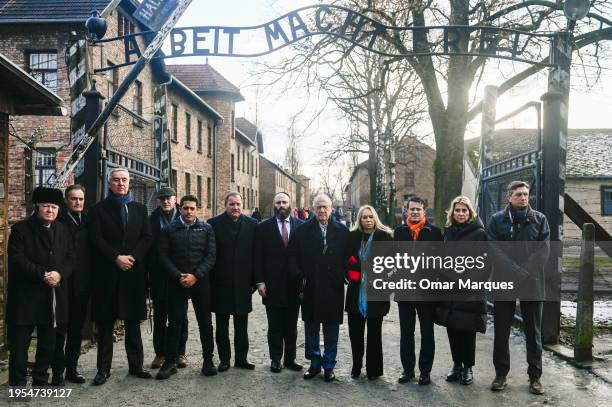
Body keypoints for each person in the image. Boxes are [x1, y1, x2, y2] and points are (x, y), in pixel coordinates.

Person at [89, 168, 153, 385]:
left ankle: (136, 366)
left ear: (129, 183)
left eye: (124, 180)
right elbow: (96, 240)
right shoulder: (98, 210)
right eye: (116, 180)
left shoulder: (140, 209)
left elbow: (146, 237)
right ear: (109, 183)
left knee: (133, 324)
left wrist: (132, 257)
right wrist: (116, 257)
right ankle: (103, 370)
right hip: (108, 275)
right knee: (106, 326)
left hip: (133, 275)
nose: (120, 183)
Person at [488, 181, 550, 395]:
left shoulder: (539, 219)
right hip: (504, 280)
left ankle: (535, 378)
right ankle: (501, 375)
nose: (523, 198)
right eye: (518, 194)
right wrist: (514, 269)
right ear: (509, 197)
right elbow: (493, 248)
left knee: (533, 332)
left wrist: (524, 271)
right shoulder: (497, 220)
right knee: (502, 331)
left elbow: (543, 250)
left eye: (526, 194)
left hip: (532, 281)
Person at [7, 187, 73, 387]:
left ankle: (40, 380)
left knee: (47, 342)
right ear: (37, 207)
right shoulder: (21, 229)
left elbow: (71, 257)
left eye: (54, 207)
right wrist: (43, 275)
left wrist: (60, 274)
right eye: (46, 206)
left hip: (52, 295)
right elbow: (18, 259)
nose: (50, 211)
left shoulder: (63, 229)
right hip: (25, 296)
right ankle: (18, 385)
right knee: (20, 345)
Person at [288, 194, 349, 382]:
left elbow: (350, 257)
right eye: (318, 207)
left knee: (331, 328)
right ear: (313, 209)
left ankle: (329, 365)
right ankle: (314, 363)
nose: (322, 210)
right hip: (311, 286)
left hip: (333, 286)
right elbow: (292, 256)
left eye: (325, 207)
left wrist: (343, 275)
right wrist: (301, 276)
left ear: (331, 209)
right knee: (311, 326)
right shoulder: (302, 230)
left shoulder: (342, 230)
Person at [156, 195, 217, 380]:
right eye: (185, 208)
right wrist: (178, 275)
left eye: (192, 208)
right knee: (174, 323)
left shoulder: (206, 229)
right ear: (180, 209)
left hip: (200, 282)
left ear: (196, 209)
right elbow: (162, 256)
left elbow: (211, 255)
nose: (189, 211)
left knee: (205, 323)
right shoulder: (169, 229)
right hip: (177, 282)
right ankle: (170, 362)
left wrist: (196, 276)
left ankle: (208, 361)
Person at [394, 196, 443, 385]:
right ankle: (408, 370)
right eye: (412, 209)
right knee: (406, 333)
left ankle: (425, 371)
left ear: (424, 212)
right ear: (406, 211)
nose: (415, 212)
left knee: (427, 333)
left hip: (427, 292)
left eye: (418, 209)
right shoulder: (399, 232)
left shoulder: (434, 233)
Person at [440, 196, 488, 386]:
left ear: (470, 213)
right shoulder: (449, 232)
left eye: (464, 210)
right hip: (449, 288)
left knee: (467, 330)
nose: (460, 213)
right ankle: (456, 364)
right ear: (453, 213)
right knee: (452, 328)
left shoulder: (479, 234)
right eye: (457, 210)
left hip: (470, 290)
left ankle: (468, 367)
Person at [254, 192, 304, 373]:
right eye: (278, 202)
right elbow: (258, 257)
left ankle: (290, 359)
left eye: (284, 202)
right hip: (272, 284)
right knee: (274, 325)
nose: (281, 205)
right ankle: (276, 359)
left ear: (291, 204)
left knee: (291, 325)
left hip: (294, 284)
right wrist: (259, 281)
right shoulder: (263, 228)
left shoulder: (301, 226)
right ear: (273, 205)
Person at [208, 192, 258, 372]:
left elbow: (256, 255)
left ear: (242, 205)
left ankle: (241, 359)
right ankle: (224, 359)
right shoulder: (213, 224)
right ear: (225, 205)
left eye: (238, 204)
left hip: (244, 284)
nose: (235, 207)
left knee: (241, 325)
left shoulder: (253, 225)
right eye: (231, 204)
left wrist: (255, 281)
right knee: (221, 325)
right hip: (221, 283)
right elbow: (210, 254)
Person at [345, 205, 393, 380]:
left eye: (370, 217)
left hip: (377, 293)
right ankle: (356, 366)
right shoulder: (352, 236)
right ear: (360, 219)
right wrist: (350, 270)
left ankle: (374, 370)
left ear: (375, 219)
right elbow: (344, 260)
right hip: (355, 292)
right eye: (364, 217)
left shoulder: (385, 237)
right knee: (355, 334)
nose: (367, 220)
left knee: (374, 335)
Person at [51, 185, 91, 386]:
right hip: (62, 284)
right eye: (74, 199)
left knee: (76, 329)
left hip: (82, 284)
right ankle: (57, 373)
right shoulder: (57, 220)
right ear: (66, 200)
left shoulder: (88, 220)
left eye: (81, 199)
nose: (78, 202)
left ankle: (71, 369)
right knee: (60, 329)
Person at [147, 187, 188, 370]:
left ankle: (180, 352)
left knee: (180, 316)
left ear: (175, 199)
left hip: (179, 274)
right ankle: (160, 353)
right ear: (158, 201)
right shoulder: (151, 220)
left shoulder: (184, 217)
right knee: (160, 316)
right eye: (162, 199)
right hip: (158, 275)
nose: (165, 201)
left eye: (169, 198)